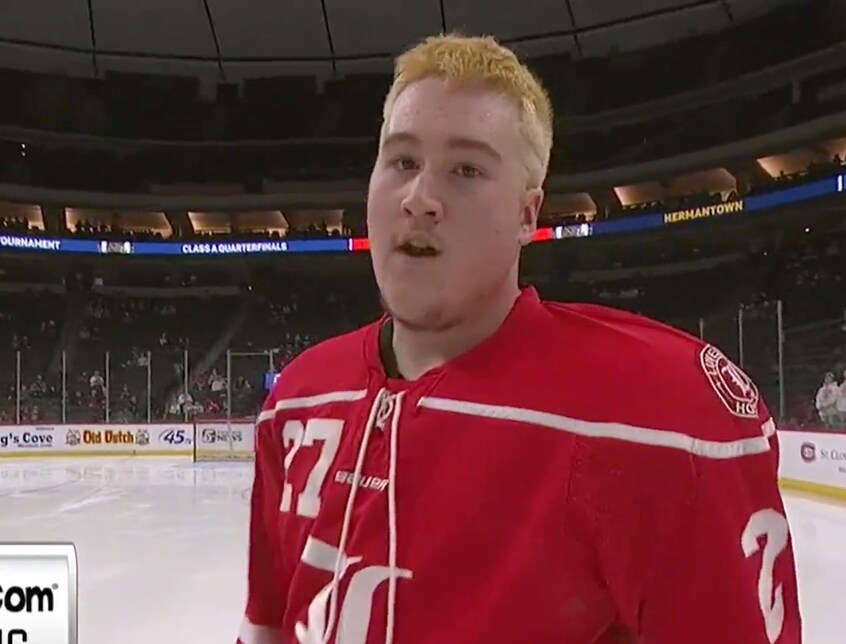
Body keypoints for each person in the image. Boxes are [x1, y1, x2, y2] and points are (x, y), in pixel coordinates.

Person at [238, 33, 801, 644]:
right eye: (402, 161)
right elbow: (268, 622)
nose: (420, 198)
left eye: (466, 170)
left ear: (527, 215)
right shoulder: (299, 395)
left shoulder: (660, 420)